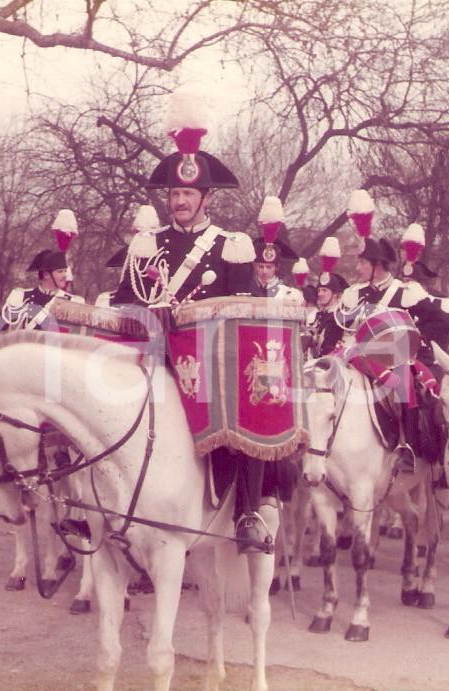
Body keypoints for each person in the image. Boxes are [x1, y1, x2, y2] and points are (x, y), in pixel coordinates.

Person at [112, 104, 292, 554]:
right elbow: (123, 304)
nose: (180, 200)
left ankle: (247, 511)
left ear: (207, 197)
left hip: (208, 361)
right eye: (174, 192)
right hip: (152, 354)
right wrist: (150, 317)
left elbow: (244, 312)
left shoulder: (230, 247)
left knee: (245, 402)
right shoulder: (146, 245)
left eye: (190, 194)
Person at [339, 235, 449, 473]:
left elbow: (439, 322)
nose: (357, 268)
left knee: (404, 380)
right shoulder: (354, 295)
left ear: (376, 265)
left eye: (362, 263)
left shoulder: (405, 292)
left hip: (394, 359)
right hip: (359, 358)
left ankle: (408, 445)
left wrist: (412, 340)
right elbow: (337, 328)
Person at [0, 249, 85, 330]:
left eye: (65, 271)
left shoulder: (72, 302)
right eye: (60, 271)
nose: (64, 275)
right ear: (46, 275)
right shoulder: (21, 297)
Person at [307, 271, 349, 357]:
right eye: (319, 290)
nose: (320, 294)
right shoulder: (319, 315)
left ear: (335, 294)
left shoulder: (340, 317)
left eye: (324, 290)